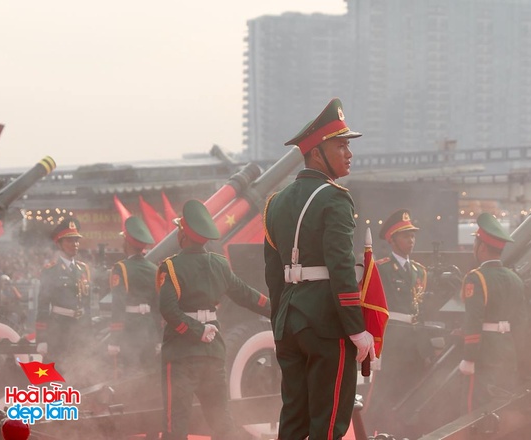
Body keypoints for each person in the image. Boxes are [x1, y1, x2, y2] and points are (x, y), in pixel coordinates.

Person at [263, 97, 375, 440]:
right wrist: (356, 328)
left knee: (293, 422)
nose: (349, 153)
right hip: (326, 324)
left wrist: (280, 324)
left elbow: (273, 274)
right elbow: (341, 267)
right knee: (328, 423)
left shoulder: (275, 203)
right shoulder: (335, 198)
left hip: (288, 323)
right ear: (316, 153)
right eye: (340, 146)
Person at [157, 199, 271, 440]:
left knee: (175, 425)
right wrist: (277, 309)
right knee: (221, 422)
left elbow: (168, 309)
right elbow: (248, 296)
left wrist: (196, 330)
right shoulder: (219, 264)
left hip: (181, 354)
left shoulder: (172, 267)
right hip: (212, 352)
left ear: (183, 235)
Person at [364, 209, 433, 436]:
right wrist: (375, 346)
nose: (411, 240)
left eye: (412, 236)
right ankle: (371, 433)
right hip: (392, 339)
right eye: (405, 236)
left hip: (414, 343)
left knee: (411, 393)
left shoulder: (420, 271)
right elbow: (370, 306)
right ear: (392, 240)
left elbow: (421, 310)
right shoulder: (381, 268)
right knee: (383, 393)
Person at [458, 212, 526, 413]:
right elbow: (522, 323)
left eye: (475, 242)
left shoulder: (476, 278)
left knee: (478, 408)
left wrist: (469, 358)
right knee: (504, 407)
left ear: (482, 247)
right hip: (507, 352)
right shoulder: (516, 279)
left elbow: (474, 319)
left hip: (484, 354)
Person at [35, 217, 92, 380]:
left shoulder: (83, 269)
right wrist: (42, 339)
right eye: (69, 241)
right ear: (59, 244)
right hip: (58, 329)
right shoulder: (50, 271)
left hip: (79, 329)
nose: (75, 244)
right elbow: (43, 306)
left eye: (76, 240)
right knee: (55, 373)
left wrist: (89, 332)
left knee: (80, 372)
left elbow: (87, 304)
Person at [107, 216, 160, 376]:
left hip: (130, 330)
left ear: (127, 243)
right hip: (149, 329)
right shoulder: (154, 269)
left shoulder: (121, 268)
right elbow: (158, 307)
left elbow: (118, 305)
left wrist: (114, 340)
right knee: (148, 373)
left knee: (130, 374)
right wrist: (159, 337)